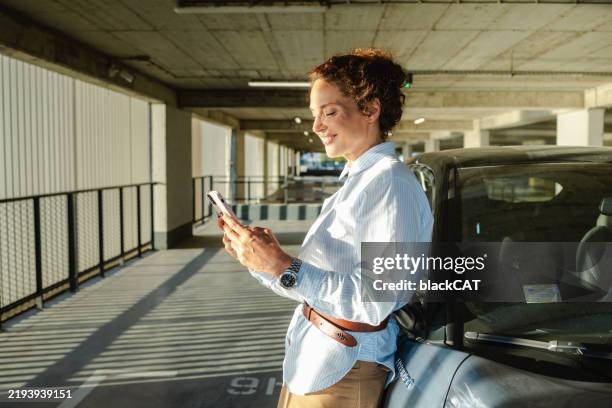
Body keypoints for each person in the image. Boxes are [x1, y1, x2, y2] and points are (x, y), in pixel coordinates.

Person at [218, 48, 433, 408]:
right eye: (315, 115)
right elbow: (315, 287)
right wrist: (261, 261)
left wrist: (285, 267)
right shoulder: (357, 182)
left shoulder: (390, 184)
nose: (317, 126)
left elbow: (379, 297)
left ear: (370, 109)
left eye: (329, 112)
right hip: (317, 363)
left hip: (345, 371)